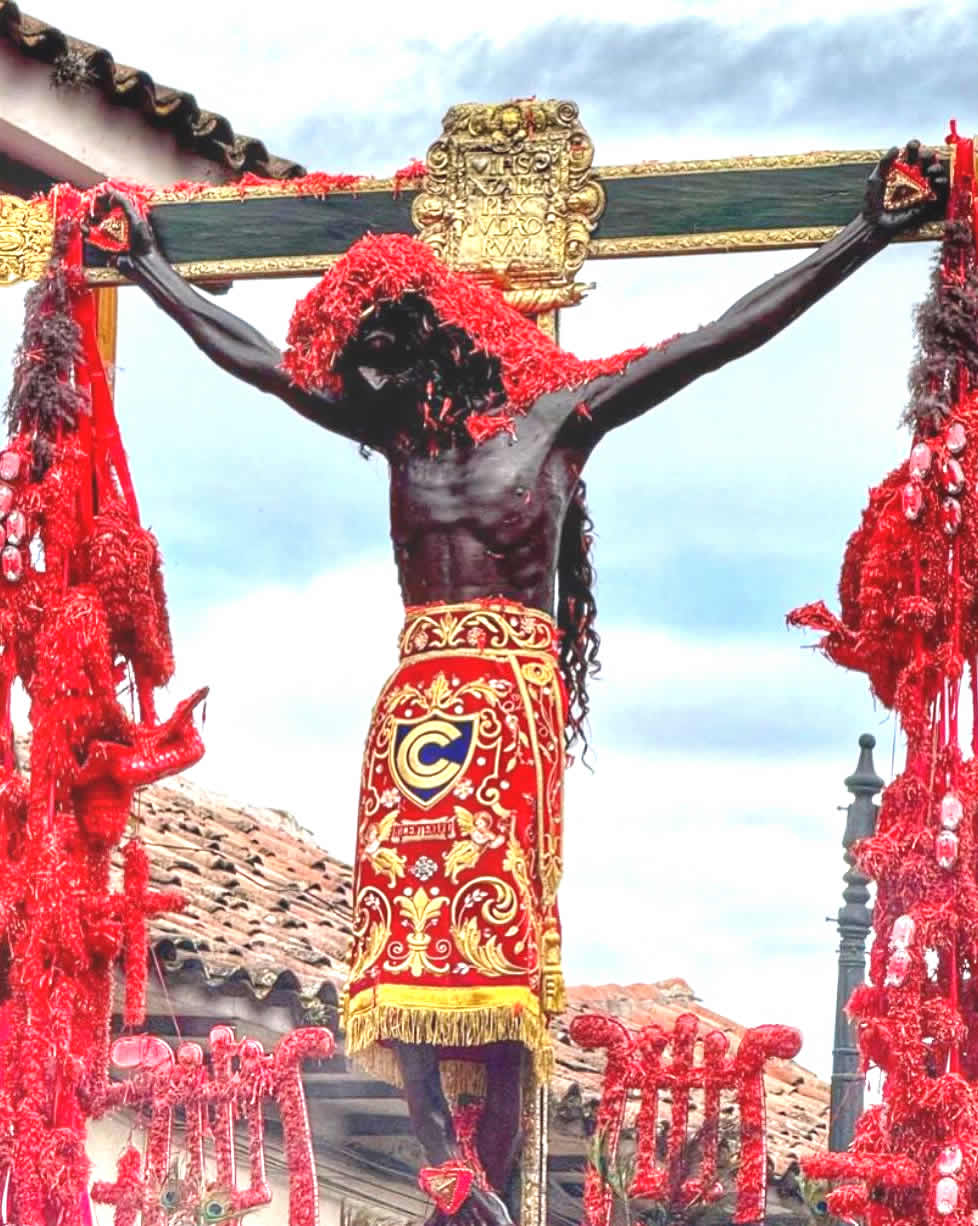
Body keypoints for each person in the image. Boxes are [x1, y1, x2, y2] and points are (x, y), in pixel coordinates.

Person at [91, 141, 946, 1226]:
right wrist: (156, 272)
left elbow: (720, 335)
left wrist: (864, 236)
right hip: (450, 699)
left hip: (472, 699)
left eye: (386, 354)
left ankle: (468, 1177)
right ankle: (455, 1171)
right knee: (426, 938)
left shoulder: (528, 422)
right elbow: (258, 359)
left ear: (441, 339)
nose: (368, 377)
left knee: (466, 945)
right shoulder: (420, 425)